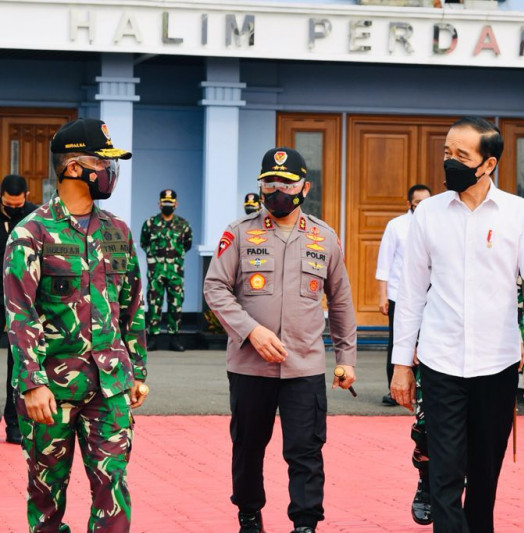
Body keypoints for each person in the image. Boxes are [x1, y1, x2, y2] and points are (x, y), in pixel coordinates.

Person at [391, 116, 524, 533]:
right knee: (443, 473)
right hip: (440, 363)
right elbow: (410, 293)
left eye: (461, 156)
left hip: (496, 366)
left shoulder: (518, 214)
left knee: (484, 477)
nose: (450, 163)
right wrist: (402, 364)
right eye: (447, 153)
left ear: (488, 163)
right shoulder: (427, 214)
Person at [3, 118, 148, 532]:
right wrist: (31, 382)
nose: (110, 173)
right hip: (51, 391)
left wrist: (136, 370)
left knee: (113, 488)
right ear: (73, 168)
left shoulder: (118, 232)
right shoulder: (31, 233)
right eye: (104, 163)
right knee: (47, 495)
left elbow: (131, 308)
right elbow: (20, 313)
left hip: (110, 387)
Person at [204, 147, 357, 533]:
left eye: (286, 183)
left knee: (306, 451)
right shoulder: (238, 234)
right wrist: (250, 330)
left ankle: (305, 523)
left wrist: (347, 358)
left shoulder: (325, 238)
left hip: (303, 366)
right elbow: (215, 288)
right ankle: (249, 516)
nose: (277, 190)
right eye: (269, 182)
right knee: (248, 448)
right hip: (249, 366)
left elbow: (340, 300)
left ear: (304, 187)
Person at [375, 183, 432, 407]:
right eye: (418, 203)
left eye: (426, 202)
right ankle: (395, 389)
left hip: (431, 297)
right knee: (398, 341)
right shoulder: (396, 226)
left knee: (426, 341)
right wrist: (383, 296)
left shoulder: (436, 224)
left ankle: (422, 389)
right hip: (399, 295)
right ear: (409, 204)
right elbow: (385, 263)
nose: (422, 206)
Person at [0, 174, 37, 445]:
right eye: (8, 204)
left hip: (22, 300)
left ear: (26, 195)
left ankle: (15, 425)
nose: (14, 207)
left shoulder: (34, 219)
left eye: (18, 203)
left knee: (20, 364)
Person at [140, 189, 193, 352]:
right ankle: (152, 338)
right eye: (165, 203)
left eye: (170, 203)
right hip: (155, 271)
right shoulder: (150, 224)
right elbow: (144, 243)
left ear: (176, 204)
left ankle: (174, 338)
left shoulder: (183, 225)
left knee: (175, 303)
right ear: (159, 203)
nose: (167, 205)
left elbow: (187, 245)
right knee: (154, 303)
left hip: (175, 271)